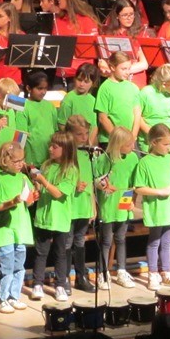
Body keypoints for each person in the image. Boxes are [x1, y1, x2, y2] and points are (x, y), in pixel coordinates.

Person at [29, 131, 79, 302]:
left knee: (60, 253)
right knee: (40, 252)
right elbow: (41, 187)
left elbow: (58, 193)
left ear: (65, 149)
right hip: (44, 217)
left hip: (60, 218)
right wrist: (37, 188)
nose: (50, 149)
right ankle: (37, 284)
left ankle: (60, 285)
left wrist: (42, 181)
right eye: (50, 146)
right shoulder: (46, 165)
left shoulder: (71, 170)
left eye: (54, 147)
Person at [135, 124, 170, 290]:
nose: (169, 147)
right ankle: (153, 273)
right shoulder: (145, 163)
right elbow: (139, 188)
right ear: (154, 142)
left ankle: (166, 272)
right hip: (156, 210)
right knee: (154, 242)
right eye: (165, 144)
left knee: (167, 242)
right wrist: (159, 192)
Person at [0, 142, 34, 313]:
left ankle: (13, 296)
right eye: (16, 161)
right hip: (5, 231)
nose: (20, 164)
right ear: (5, 161)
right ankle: (0, 298)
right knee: (6, 266)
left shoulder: (23, 178)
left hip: (20, 230)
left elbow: (29, 200)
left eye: (22, 160)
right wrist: (12, 202)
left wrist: (32, 198)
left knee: (19, 266)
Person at [94, 126, 138, 290]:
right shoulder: (103, 159)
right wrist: (103, 185)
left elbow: (134, 183)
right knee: (106, 241)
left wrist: (133, 201)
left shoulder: (133, 158)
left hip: (124, 202)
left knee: (121, 238)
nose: (132, 147)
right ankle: (103, 273)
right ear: (118, 145)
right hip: (108, 204)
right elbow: (96, 181)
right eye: (128, 144)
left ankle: (121, 271)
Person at [63, 115, 96, 293]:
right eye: (79, 134)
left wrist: (92, 206)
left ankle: (81, 277)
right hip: (69, 205)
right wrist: (73, 185)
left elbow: (90, 182)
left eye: (86, 133)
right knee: (67, 242)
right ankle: (64, 278)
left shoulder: (86, 154)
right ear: (69, 134)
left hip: (83, 206)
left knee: (80, 241)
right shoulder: (65, 155)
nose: (84, 137)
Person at [52, 0, 99, 79]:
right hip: (61, 74)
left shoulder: (87, 20)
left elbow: (93, 49)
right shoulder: (58, 20)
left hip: (82, 75)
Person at [135, 64, 170, 154]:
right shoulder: (146, 92)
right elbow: (137, 116)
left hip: (167, 142)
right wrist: (151, 133)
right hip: (148, 142)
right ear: (164, 84)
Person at [95, 51, 140, 145]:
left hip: (129, 140)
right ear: (112, 67)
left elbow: (137, 114)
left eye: (129, 68)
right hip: (110, 140)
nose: (127, 72)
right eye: (123, 69)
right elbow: (103, 117)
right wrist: (118, 138)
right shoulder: (105, 88)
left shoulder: (132, 87)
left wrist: (133, 136)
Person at [18, 70, 58, 166]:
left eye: (45, 88)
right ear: (28, 88)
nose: (43, 92)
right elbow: (21, 135)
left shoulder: (50, 106)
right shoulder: (23, 107)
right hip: (32, 160)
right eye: (39, 88)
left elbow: (55, 130)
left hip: (49, 158)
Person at [58, 63, 98, 133]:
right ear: (75, 79)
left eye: (86, 82)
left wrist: (90, 139)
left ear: (93, 83)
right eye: (79, 80)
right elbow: (62, 124)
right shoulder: (69, 99)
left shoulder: (93, 100)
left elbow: (94, 126)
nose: (81, 84)